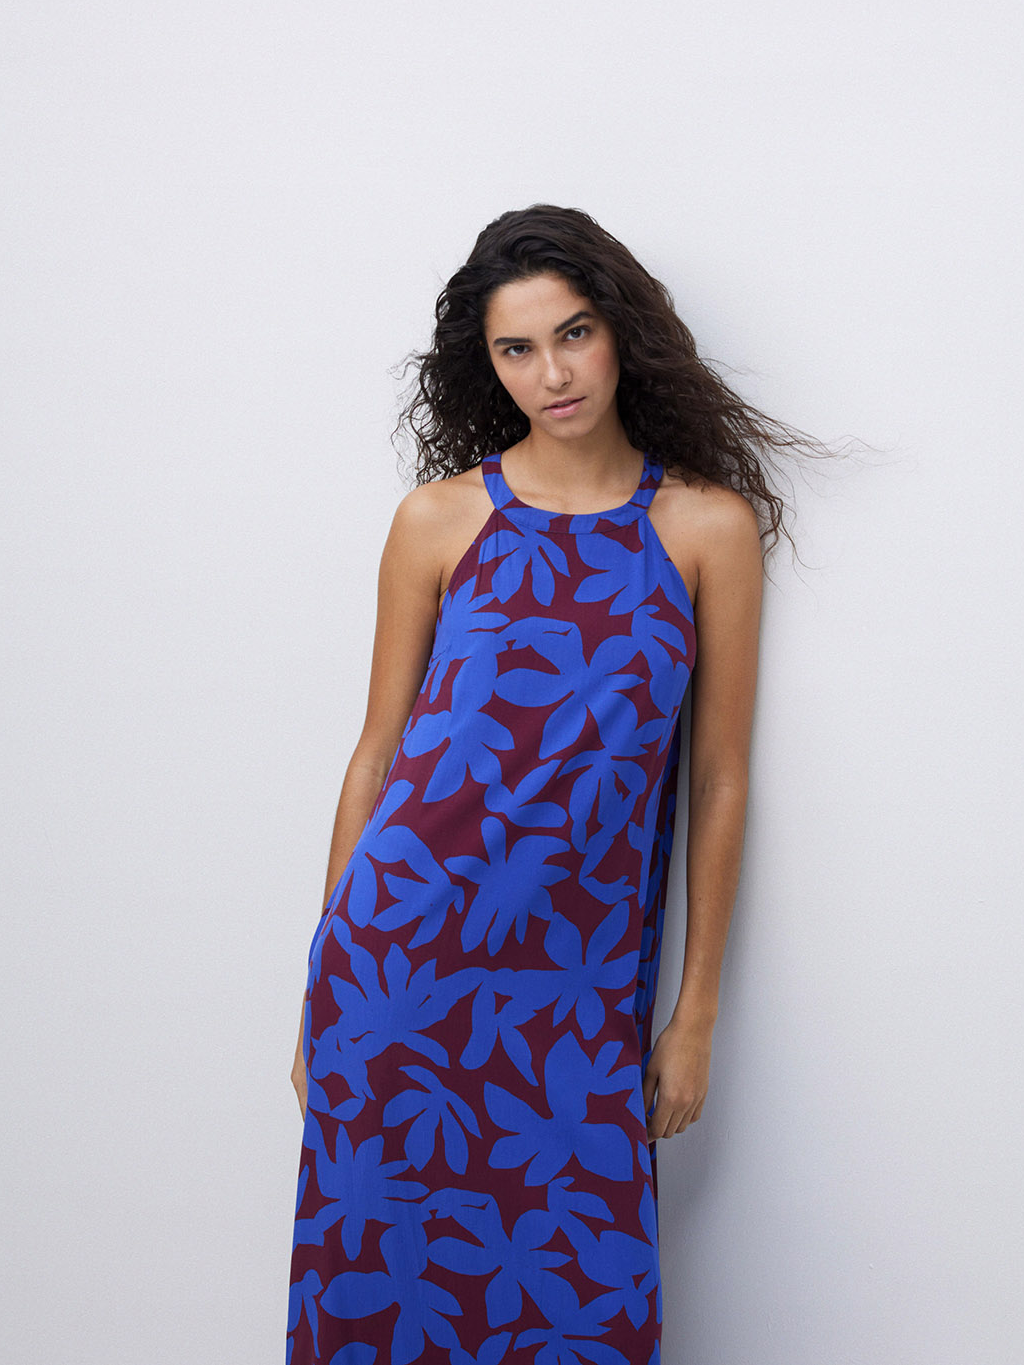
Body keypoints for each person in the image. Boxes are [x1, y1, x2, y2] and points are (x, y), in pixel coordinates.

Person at [286, 204, 823, 1364]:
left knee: (579, 1298)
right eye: (517, 349)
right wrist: (323, 983)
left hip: (576, 994)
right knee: (384, 1294)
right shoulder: (440, 521)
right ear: (487, 365)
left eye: (574, 333)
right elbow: (378, 754)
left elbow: (720, 780)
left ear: (621, 330)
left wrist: (695, 1012)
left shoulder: (704, 529)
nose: (553, 373)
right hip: (397, 972)